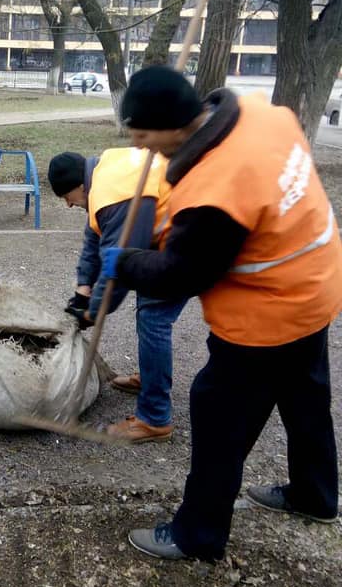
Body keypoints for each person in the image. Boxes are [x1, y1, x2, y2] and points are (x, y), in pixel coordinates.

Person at [99, 66, 341, 561]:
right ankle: (316, 496)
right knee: (305, 398)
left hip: (269, 314)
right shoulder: (258, 112)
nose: (143, 147)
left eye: (145, 135)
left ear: (172, 124)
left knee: (218, 421)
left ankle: (197, 536)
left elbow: (182, 275)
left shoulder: (217, 188)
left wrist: (124, 262)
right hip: (317, 282)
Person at [47, 149, 186, 442]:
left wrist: (92, 311)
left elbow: (118, 269)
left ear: (79, 186)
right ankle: (151, 379)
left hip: (191, 239)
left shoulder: (116, 195)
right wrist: (82, 289)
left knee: (153, 317)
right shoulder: (103, 172)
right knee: (149, 309)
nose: (68, 205)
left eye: (66, 197)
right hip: (168, 241)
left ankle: (155, 418)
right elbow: (94, 236)